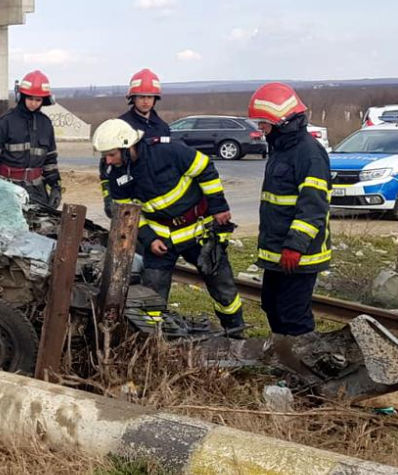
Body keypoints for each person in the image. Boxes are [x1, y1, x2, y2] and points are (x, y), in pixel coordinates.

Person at [93, 118, 244, 334]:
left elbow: (205, 169)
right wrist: (149, 238)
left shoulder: (168, 151)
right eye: (104, 156)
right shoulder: (117, 175)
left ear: (127, 146)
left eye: (111, 154)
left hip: (198, 231)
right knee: (151, 297)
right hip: (162, 238)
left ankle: (236, 334)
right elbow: (128, 214)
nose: (107, 161)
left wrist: (219, 206)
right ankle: (153, 343)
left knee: (223, 289)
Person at [249, 82, 330, 337]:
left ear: (281, 120)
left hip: (299, 255)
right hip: (278, 252)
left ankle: (305, 369)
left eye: (264, 121)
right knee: (272, 306)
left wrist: (295, 246)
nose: (261, 127)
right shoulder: (281, 148)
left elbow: (313, 207)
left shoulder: (309, 153)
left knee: (293, 315)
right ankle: (285, 358)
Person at [0, 70, 62, 208]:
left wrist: (56, 187)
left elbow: (50, 161)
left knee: (41, 227)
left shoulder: (46, 124)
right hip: (8, 190)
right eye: (30, 98)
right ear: (21, 96)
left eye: (38, 100)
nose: (34, 103)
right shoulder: (3, 123)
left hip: (37, 191)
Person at [100, 68, 172, 218]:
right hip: (129, 193)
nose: (146, 101)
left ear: (155, 99)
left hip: (159, 195)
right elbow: (107, 165)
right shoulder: (120, 125)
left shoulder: (162, 127)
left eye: (150, 97)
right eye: (141, 97)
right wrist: (108, 196)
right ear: (132, 98)